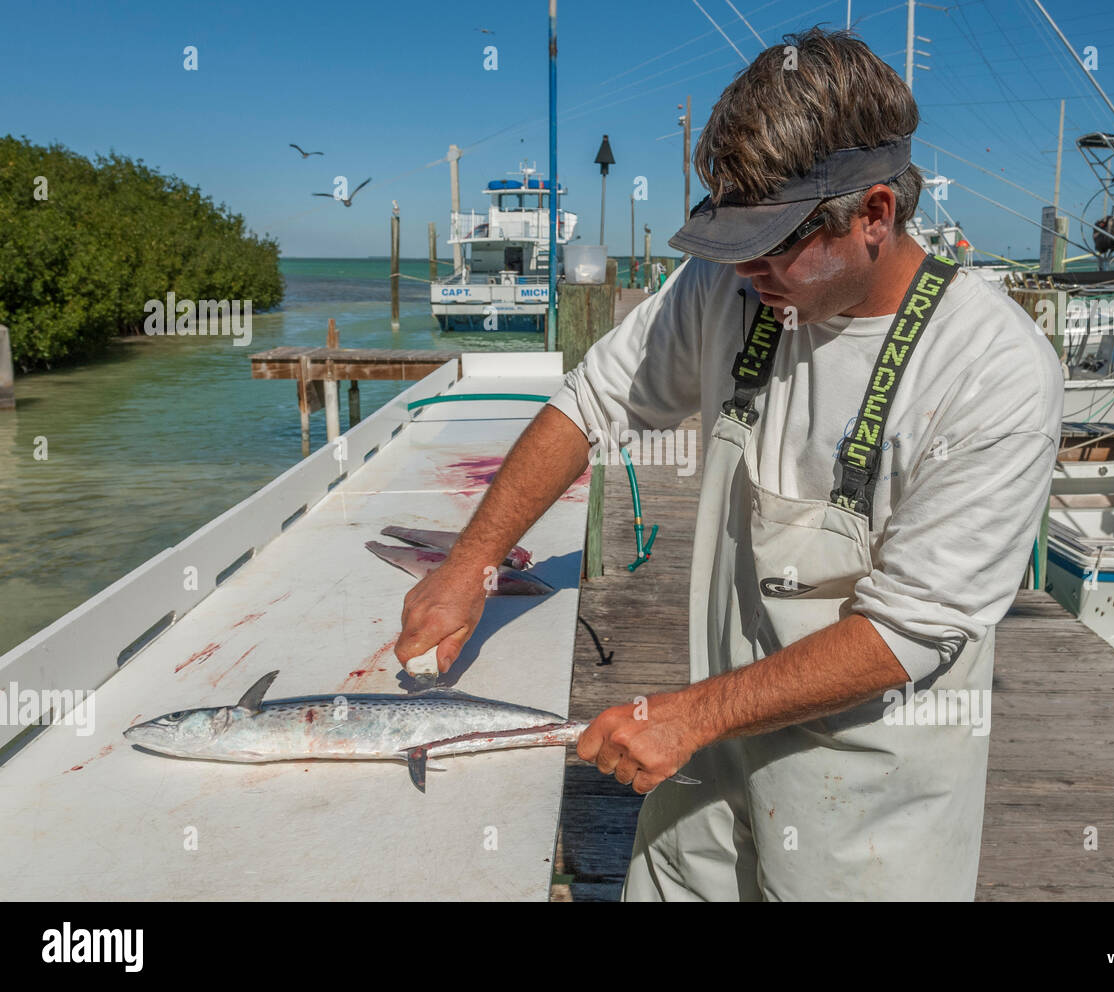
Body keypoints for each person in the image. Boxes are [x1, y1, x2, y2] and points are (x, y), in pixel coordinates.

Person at [394, 27, 1063, 900]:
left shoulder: (993, 371)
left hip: (866, 810)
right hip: (704, 771)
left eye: (776, 243)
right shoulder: (731, 284)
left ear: (874, 215)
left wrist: (690, 714)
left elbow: (911, 628)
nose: (747, 270)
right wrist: (469, 564)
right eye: (733, 241)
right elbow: (588, 404)